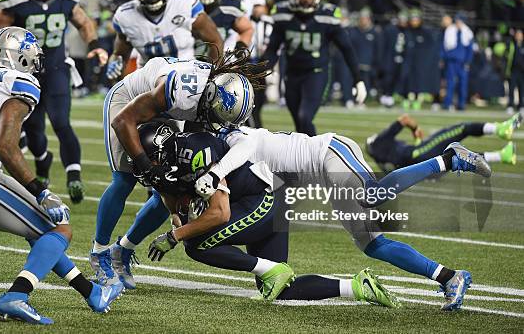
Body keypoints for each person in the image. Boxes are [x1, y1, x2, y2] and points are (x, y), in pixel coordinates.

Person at [119, 119, 491, 311]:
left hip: (327, 153)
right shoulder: (225, 142)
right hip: (301, 184)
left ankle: (449, 158)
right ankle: (449, 277)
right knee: (371, 245)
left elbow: (238, 153)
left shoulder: (236, 140)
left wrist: (211, 178)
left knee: (374, 195)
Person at [0, 27, 123, 325]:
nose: (35, 62)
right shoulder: (19, 82)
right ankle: (16, 296)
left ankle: (91, 291)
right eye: (30, 56)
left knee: (40, 230)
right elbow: (5, 146)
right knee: (60, 228)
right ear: (16, 56)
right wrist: (40, 191)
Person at [139, 122, 401, 307]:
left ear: (161, 149)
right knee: (280, 291)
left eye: (147, 158)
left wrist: (175, 235)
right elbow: (169, 195)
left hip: (265, 197)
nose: (143, 165)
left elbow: (220, 213)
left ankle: (271, 268)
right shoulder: (168, 167)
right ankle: (357, 286)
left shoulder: (196, 151)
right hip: (259, 199)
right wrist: (177, 217)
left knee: (195, 245)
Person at [90, 50, 266, 290]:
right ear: (212, 97)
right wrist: (146, 167)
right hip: (129, 102)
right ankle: (99, 253)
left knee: (168, 185)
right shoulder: (182, 92)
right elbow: (123, 121)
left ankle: (122, 250)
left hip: (168, 111)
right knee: (124, 180)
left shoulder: (209, 97)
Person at [0, 0, 109, 203]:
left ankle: (74, 176)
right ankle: (43, 165)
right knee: (34, 130)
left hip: (55, 68)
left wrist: (94, 44)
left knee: (62, 122)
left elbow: (84, 22)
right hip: (25, 72)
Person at [261, 0, 367, 136]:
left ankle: (317, 157)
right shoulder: (284, 15)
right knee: (299, 123)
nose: (305, 0)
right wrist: (265, 70)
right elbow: (273, 48)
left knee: (305, 117)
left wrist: (358, 79)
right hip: (292, 74)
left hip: (316, 73)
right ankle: (304, 160)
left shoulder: (327, 17)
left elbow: (346, 49)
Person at [105, 0, 223, 82]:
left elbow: (215, 40)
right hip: (147, 81)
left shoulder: (185, 5)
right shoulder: (126, 15)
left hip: (186, 79)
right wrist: (114, 64)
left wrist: (211, 76)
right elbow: (119, 55)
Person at [366, 113, 520, 173]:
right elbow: (404, 119)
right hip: (418, 153)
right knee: (461, 128)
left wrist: (418, 141)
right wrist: (415, 128)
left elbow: (404, 161)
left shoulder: (380, 159)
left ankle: (502, 156)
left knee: (458, 157)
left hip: (420, 166)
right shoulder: (379, 142)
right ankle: (500, 128)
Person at [247, 0, 273, 128]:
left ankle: (256, 130)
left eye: (259, 6)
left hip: (263, 67)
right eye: (254, 6)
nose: (257, 9)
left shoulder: (269, 22)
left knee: (259, 104)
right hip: (246, 66)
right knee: (248, 105)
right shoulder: (244, 21)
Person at [441, 12, 474, 110]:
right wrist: (444, 58)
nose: (458, 23)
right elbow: (445, 47)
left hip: (462, 63)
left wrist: (468, 61)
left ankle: (461, 104)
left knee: (463, 84)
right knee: (450, 83)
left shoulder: (467, 32)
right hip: (452, 61)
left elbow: (470, 49)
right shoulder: (450, 30)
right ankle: (447, 104)